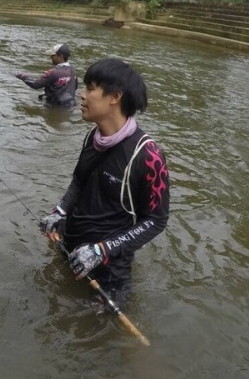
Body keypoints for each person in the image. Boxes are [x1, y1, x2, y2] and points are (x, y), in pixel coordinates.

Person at [38, 59, 170, 304]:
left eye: (90, 88)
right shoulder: (92, 136)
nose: (81, 96)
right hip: (72, 248)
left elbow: (155, 220)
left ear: (114, 97)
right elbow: (79, 181)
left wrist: (102, 250)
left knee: (100, 335)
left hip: (108, 266)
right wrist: (59, 211)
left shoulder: (148, 156)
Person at [14, 43, 77, 108]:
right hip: (69, 105)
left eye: (53, 55)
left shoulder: (53, 72)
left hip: (54, 107)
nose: (51, 57)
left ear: (60, 57)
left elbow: (36, 84)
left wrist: (22, 76)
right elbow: (75, 86)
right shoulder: (73, 71)